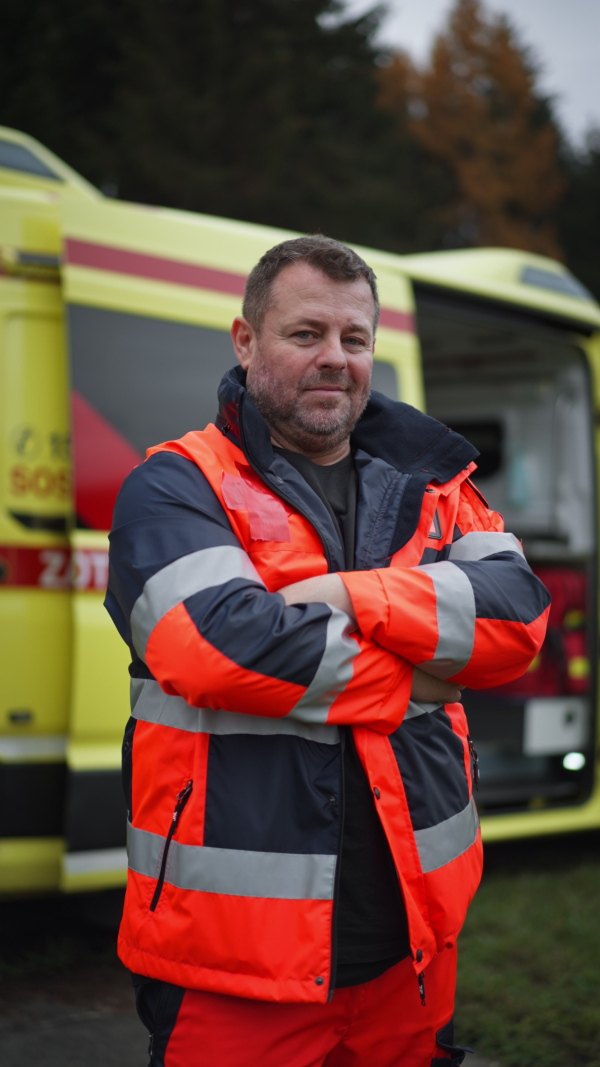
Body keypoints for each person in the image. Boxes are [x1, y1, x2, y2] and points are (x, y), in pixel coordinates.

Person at [106, 235, 550, 1067]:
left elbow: (518, 622)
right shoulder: (175, 483)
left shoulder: (440, 485)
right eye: (305, 333)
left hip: (412, 956)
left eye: (355, 338)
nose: (334, 359)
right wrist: (425, 670)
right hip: (235, 969)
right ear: (246, 342)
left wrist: (351, 595)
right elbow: (217, 645)